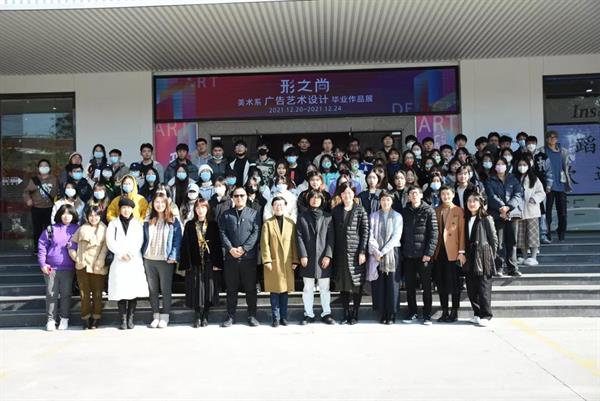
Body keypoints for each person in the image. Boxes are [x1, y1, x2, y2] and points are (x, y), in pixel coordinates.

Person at [218, 186, 260, 327]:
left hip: (248, 258)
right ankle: (230, 316)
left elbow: (256, 233)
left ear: (246, 197)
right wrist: (230, 248)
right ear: (232, 198)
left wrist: (244, 248)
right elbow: (222, 233)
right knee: (231, 289)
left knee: (250, 289)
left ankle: (252, 315)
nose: (239, 198)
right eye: (236, 196)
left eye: (242, 195)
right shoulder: (226, 214)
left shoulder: (254, 214)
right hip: (231, 258)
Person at [179, 198, 223, 327]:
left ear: (207, 209)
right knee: (196, 289)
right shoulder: (190, 225)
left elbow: (217, 244)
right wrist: (187, 263)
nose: (200, 210)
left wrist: (217, 263)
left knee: (208, 288)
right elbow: (185, 245)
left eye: (203, 207)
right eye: (198, 208)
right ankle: (198, 315)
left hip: (209, 261)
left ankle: (206, 315)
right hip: (195, 262)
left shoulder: (213, 224)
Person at [106, 198, 148, 330]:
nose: (126, 210)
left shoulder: (137, 224)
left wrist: (130, 253)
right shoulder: (113, 224)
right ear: (120, 209)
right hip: (119, 260)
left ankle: (130, 319)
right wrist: (120, 253)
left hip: (133, 260)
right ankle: (123, 319)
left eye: (129, 208)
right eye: (124, 208)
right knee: (121, 290)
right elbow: (110, 241)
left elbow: (139, 241)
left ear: (132, 210)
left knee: (132, 290)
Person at [142, 193, 182, 329]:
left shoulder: (172, 220)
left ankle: (165, 316)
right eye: (156, 202)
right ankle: (155, 315)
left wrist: (173, 255)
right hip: (149, 259)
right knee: (152, 289)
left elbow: (177, 239)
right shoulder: (148, 220)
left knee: (165, 289)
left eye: (162, 202)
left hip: (165, 260)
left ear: (167, 204)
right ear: (153, 204)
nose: (159, 205)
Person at [331, 182, 370, 324]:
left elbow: (365, 232)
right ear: (340, 195)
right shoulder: (336, 210)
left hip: (355, 253)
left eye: (349, 192)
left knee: (356, 284)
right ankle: (346, 312)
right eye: (344, 193)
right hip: (340, 253)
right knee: (343, 284)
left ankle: (355, 313)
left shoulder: (360, 210)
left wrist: (362, 251)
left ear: (354, 194)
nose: (347, 195)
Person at [38, 204, 79, 331]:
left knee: (66, 294)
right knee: (51, 294)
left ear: (73, 215)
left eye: (69, 213)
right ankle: (50, 320)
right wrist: (43, 264)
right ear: (59, 215)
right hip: (51, 268)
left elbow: (82, 245)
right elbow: (42, 246)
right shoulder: (51, 229)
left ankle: (64, 318)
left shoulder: (78, 229)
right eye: (64, 213)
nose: (66, 216)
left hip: (69, 268)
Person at [296, 190, 335, 325]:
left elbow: (331, 239)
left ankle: (326, 313)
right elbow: (299, 237)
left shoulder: (328, 217)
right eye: (312, 197)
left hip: (323, 257)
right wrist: (303, 255)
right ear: (308, 200)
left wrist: (328, 256)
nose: (315, 200)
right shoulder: (302, 217)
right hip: (308, 257)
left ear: (322, 200)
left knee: (325, 288)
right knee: (308, 288)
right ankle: (309, 314)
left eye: (318, 198)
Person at [401, 186, 438, 325]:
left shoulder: (428, 210)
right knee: (410, 287)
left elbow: (434, 233)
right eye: (411, 193)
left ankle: (427, 315)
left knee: (426, 287)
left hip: (424, 256)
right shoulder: (404, 211)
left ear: (421, 195)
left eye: (416, 193)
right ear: (408, 196)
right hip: (408, 255)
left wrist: (429, 253)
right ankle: (412, 312)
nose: (414, 195)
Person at [260, 197, 299, 327]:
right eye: (276, 205)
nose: (278, 207)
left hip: (287, 262)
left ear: (285, 206)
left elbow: (294, 243)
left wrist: (295, 260)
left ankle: (284, 317)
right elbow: (264, 243)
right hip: (274, 262)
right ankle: (275, 318)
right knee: (274, 291)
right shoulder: (268, 224)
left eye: (281, 205)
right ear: (272, 207)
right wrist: (267, 260)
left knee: (285, 291)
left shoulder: (290, 223)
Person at [68, 206, 108, 329]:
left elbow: (106, 247)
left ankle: (96, 317)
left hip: (97, 265)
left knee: (97, 293)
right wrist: (76, 257)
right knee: (84, 293)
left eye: (96, 215)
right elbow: (71, 244)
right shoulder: (81, 228)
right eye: (91, 215)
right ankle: (85, 318)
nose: (93, 218)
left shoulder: (105, 229)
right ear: (87, 217)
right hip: (83, 265)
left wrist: (101, 260)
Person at [367, 191, 403, 324]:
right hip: (376, 254)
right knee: (379, 284)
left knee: (392, 284)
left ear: (392, 201)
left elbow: (396, 236)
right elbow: (370, 234)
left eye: (388, 200)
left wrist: (383, 252)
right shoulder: (373, 216)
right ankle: (382, 313)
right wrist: (376, 251)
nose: (385, 202)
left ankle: (391, 313)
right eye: (383, 200)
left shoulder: (397, 216)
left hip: (392, 253)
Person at [484, 157, 523, 277]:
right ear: (494, 166)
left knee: (512, 242)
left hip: (512, 214)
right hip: (497, 214)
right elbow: (491, 196)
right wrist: (502, 208)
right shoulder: (490, 180)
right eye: (498, 164)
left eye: (502, 164)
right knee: (499, 242)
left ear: (507, 166)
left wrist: (508, 207)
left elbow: (518, 194)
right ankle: (499, 267)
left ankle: (512, 268)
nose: (500, 166)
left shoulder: (513, 179)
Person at [464, 193, 498, 327]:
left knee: (484, 287)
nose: (472, 204)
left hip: (484, 255)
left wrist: (491, 256)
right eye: (469, 201)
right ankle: (477, 314)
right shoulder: (466, 218)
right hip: (470, 255)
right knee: (471, 288)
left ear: (480, 204)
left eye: (475, 201)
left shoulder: (486, 218)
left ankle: (486, 315)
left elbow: (494, 239)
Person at [433, 186, 466, 323]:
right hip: (439, 251)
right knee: (441, 284)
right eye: (443, 194)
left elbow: (462, 232)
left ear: (453, 195)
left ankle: (454, 311)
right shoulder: (436, 210)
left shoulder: (459, 210)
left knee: (454, 284)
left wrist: (461, 251)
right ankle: (445, 310)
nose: (445, 196)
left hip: (453, 252)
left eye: (448, 194)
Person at [540, 131, 572, 242]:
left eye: (554, 137)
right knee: (547, 212)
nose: (552, 139)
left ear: (557, 139)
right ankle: (547, 233)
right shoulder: (542, 151)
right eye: (550, 137)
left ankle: (561, 232)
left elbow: (566, 167)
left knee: (562, 212)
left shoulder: (563, 151)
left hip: (561, 184)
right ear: (546, 139)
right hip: (548, 186)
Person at [24, 159, 58, 254]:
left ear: (49, 168)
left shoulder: (54, 179)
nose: (44, 167)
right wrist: (28, 200)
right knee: (37, 230)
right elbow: (26, 192)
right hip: (37, 209)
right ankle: (37, 249)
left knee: (50, 229)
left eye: (46, 165)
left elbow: (58, 193)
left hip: (50, 208)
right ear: (38, 168)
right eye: (41, 166)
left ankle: (49, 248)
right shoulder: (34, 180)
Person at [515, 157, 545, 266]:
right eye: (520, 165)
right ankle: (524, 257)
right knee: (521, 237)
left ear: (528, 166)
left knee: (532, 236)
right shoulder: (514, 178)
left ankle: (533, 257)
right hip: (519, 212)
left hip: (531, 211)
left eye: (524, 165)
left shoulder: (534, 178)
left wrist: (534, 199)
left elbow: (541, 193)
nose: (522, 167)